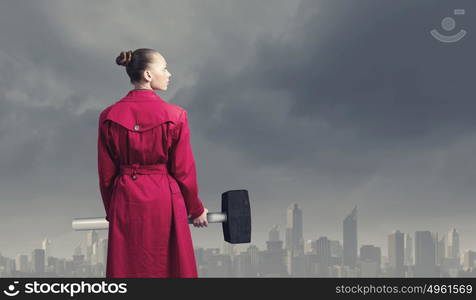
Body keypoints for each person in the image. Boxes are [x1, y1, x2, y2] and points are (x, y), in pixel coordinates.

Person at [97, 48, 208, 278]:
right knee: (171, 268)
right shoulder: (176, 115)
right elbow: (183, 170)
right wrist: (196, 209)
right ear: (148, 75)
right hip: (164, 199)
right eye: (164, 68)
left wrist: (113, 211)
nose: (169, 74)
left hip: (125, 200)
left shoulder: (108, 116)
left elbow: (106, 173)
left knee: (127, 270)